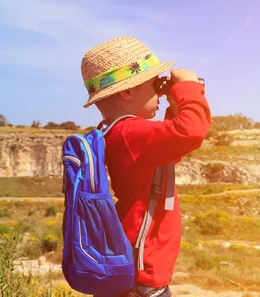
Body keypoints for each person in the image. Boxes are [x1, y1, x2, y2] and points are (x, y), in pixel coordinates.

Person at [81, 36, 211, 296]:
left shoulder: (115, 132)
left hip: (134, 269)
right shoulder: (130, 132)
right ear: (127, 91)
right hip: (141, 278)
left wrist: (174, 106)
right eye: (155, 84)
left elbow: (167, 153)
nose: (160, 92)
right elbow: (191, 131)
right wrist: (187, 88)